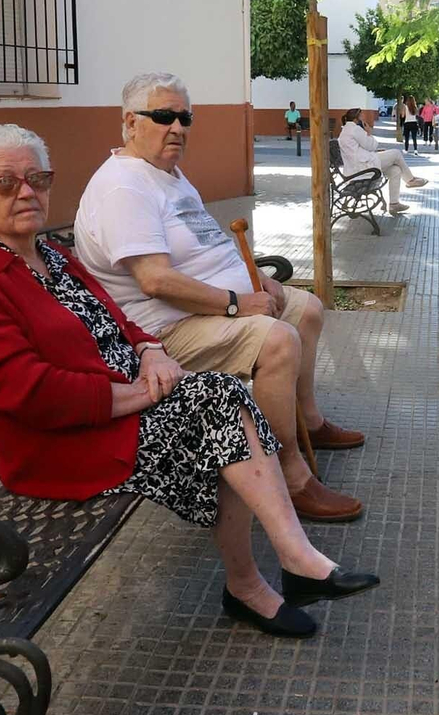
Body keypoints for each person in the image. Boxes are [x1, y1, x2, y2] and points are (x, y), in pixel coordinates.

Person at [0, 125, 381, 638]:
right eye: (6, 183)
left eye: (38, 178)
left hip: (120, 406)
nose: (28, 191)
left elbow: (116, 315)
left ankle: (271, 574)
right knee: (219, 407)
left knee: (222, 405)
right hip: (62, 443)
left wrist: (148, 348)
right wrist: (138, 393)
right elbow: (28, 392)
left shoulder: (47, 254)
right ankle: (273, 574)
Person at [75, 72, 367, 525]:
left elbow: (206, 239)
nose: (178, 127)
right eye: (164, 116)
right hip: (165, 329)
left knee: (305, 308)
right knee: (277, 341)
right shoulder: (124, 187)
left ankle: (308, 422)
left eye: (184, 117)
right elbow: (155, 281)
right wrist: (236, 302)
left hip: (219, 301)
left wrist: (256, 282)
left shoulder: (166, 173)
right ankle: (287, 475)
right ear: (131, 123)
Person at [337, 108, 428, 213]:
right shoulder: (355, 129)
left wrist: (375, 149)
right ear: (357, 117)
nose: (363, 117)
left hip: (358, 167)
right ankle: (410, 180)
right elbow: (371, 145)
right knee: (396, 153)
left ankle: (394, 204)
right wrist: (369, 132)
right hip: (364, 167)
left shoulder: (346, 130)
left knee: (395, 170)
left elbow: (360, 148)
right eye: (361, 115)